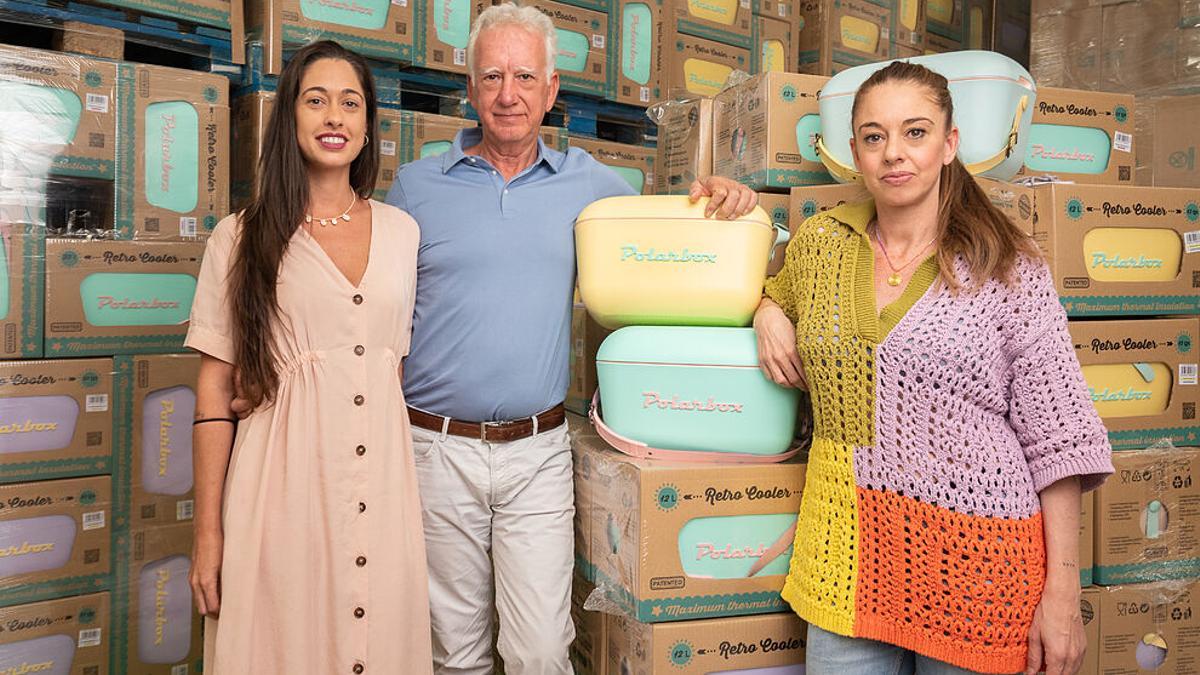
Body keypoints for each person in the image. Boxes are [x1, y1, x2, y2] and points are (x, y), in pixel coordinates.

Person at [384, 4, 757, 673]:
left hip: (537, 454)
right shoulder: (415, 188)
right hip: (434, 450)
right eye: (492, 75)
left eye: (525, 77)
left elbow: (676, 240)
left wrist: (727, 200)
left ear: (552, 90)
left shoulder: (592, 189)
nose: (508, 94)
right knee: (452, 654)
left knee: (539, 651)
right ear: (469, 87)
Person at [752, 61, 1114, 675]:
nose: (894, 153)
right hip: (847, 559)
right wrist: (767, 308)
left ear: (950, 145)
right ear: (854, 152)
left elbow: (1060, 441)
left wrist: (1062, 595)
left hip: (981, 569)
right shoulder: (820, 246)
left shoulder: (1007, 267)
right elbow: (777, 291)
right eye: (874, 136)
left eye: (915, 133)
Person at [185, 41, 431, 674]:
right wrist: (207, 535)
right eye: (315, 100)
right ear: (289, 117)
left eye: (350, 103)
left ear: (369, 124)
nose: (334, 117)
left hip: (382, 489)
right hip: (280, 490)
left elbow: (387, 368)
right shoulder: (239, 237)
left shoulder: (403, 234)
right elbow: (214, 392)